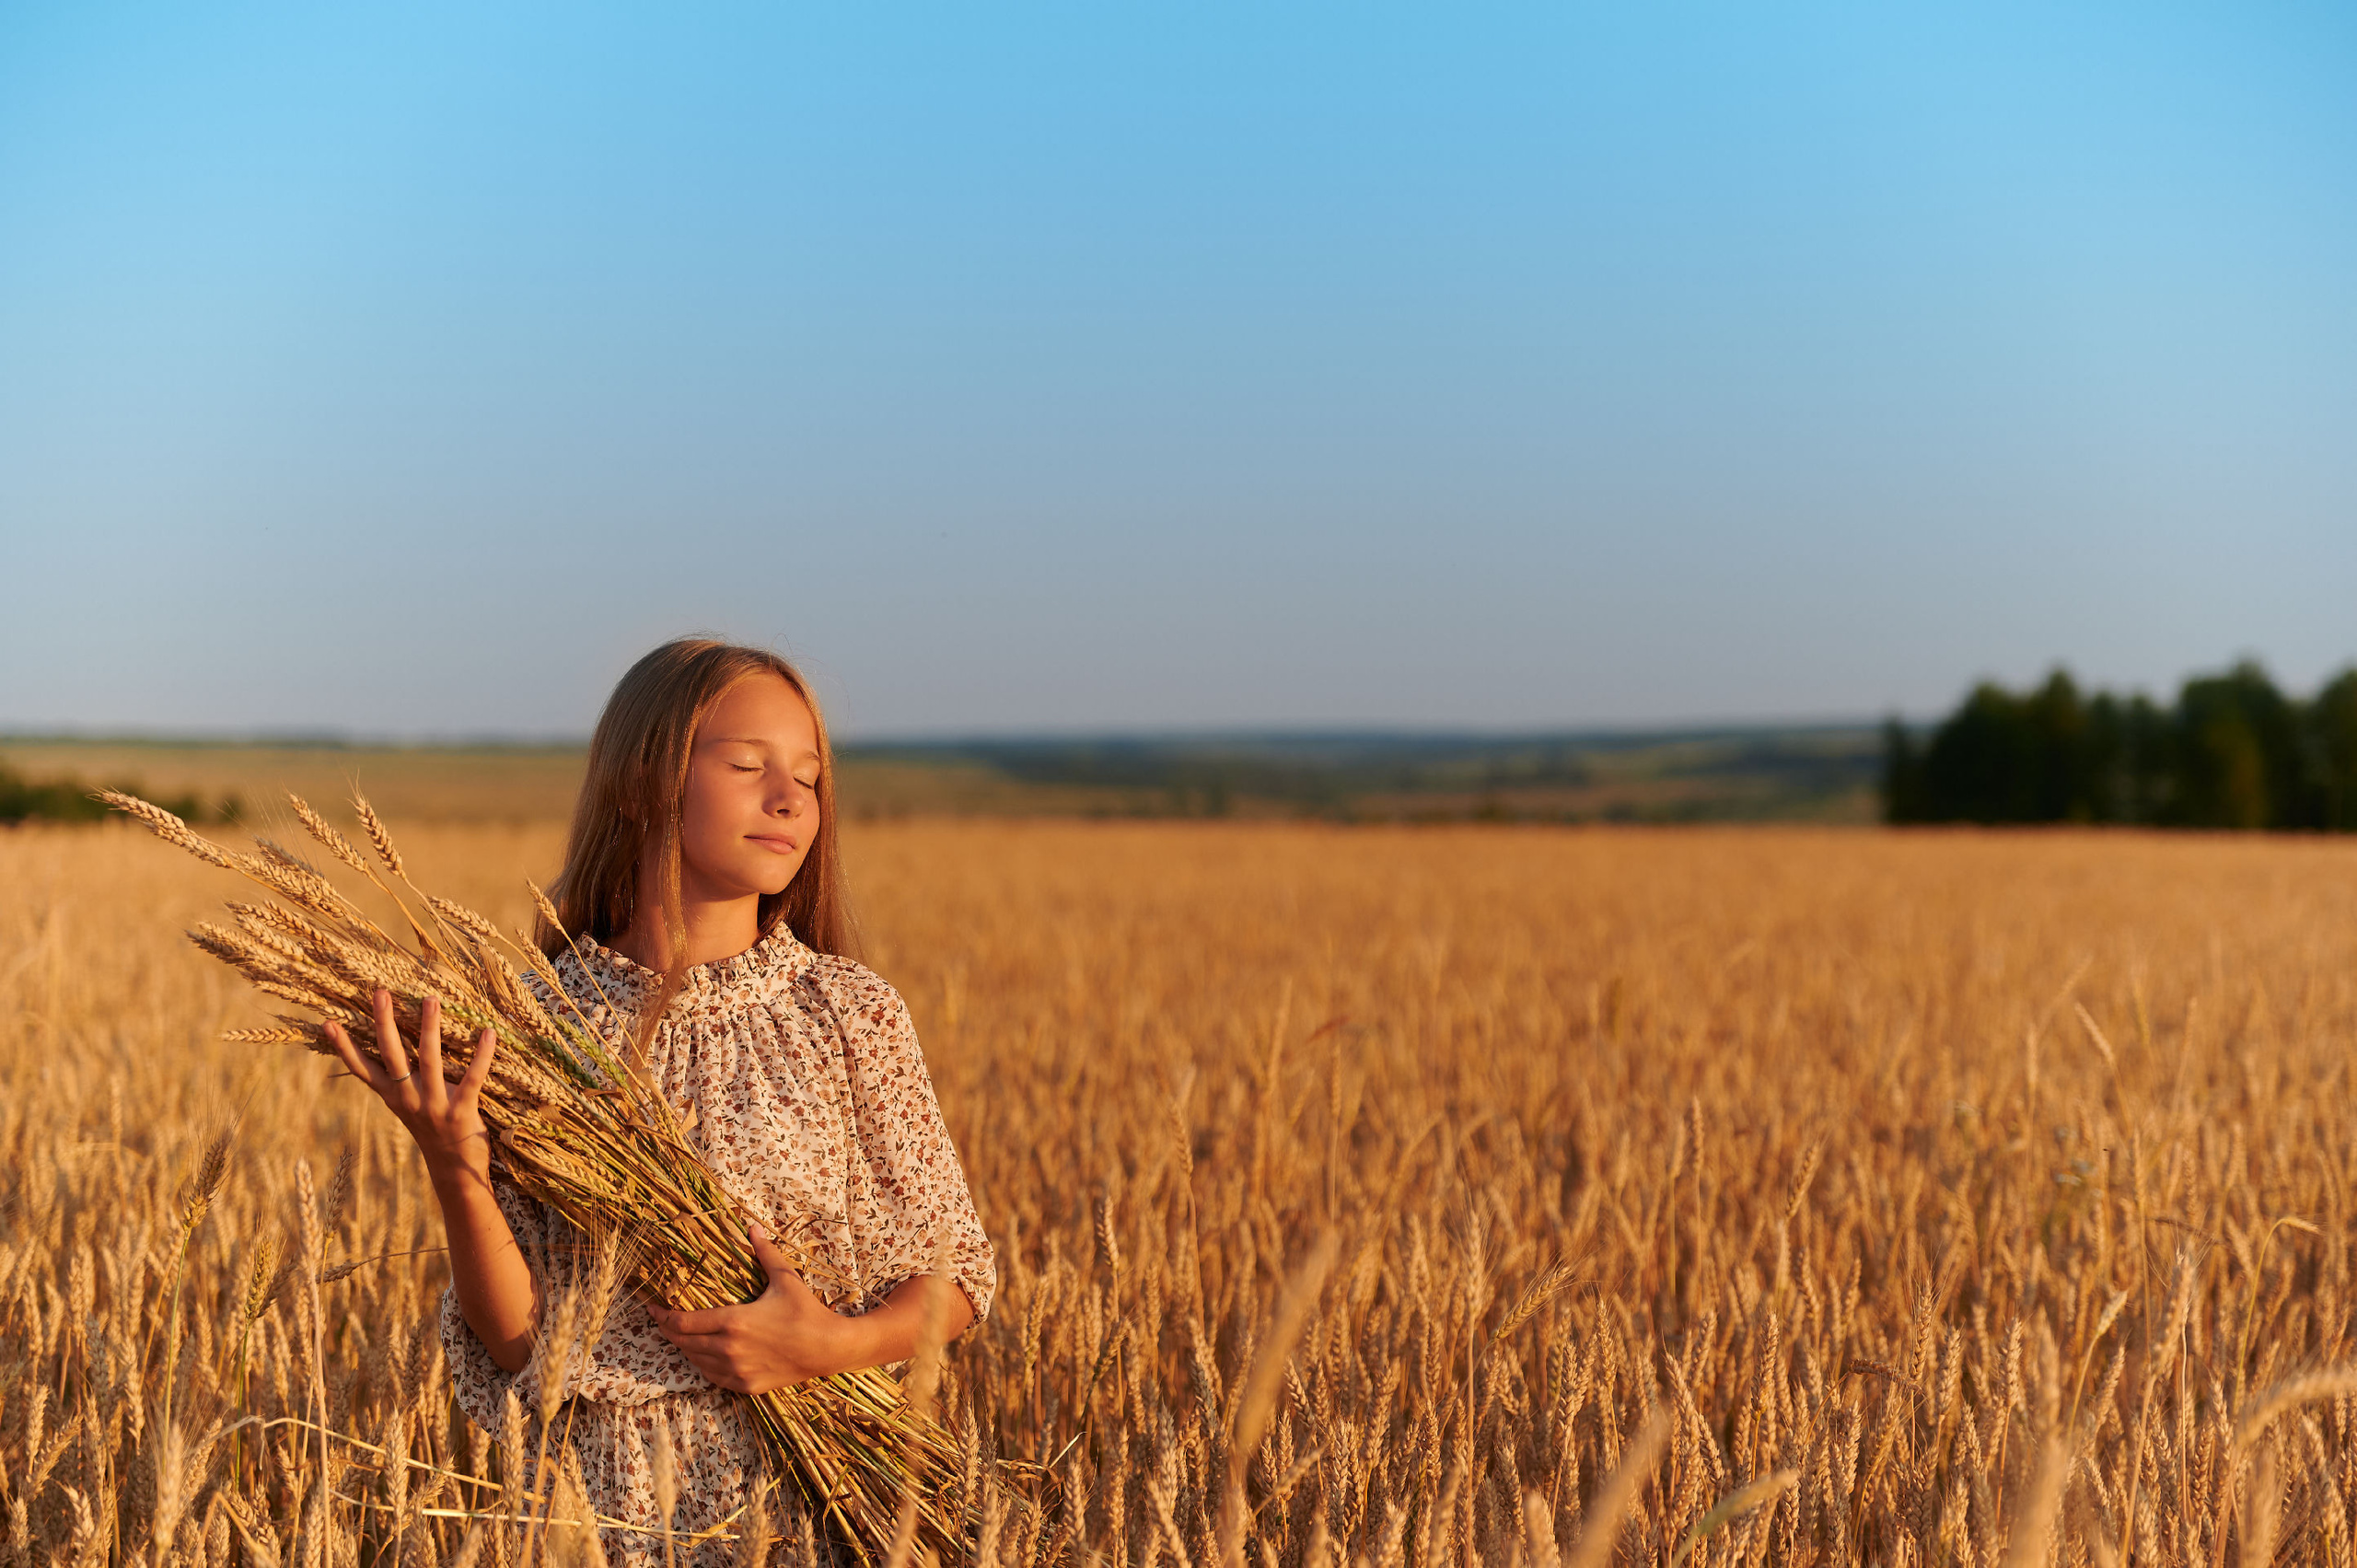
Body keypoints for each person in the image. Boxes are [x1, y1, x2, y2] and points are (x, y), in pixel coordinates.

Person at [322, 638, 995, 1564]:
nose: (790, 796)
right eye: (748, 764)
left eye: (808, 774)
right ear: (645, 779)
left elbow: (951, 1273)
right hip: (597, 1511)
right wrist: (456, 1166)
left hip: (811, 1504)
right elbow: (522, 1344)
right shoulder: (536, 1028)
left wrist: (826, 1345)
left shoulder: (847, 1009)